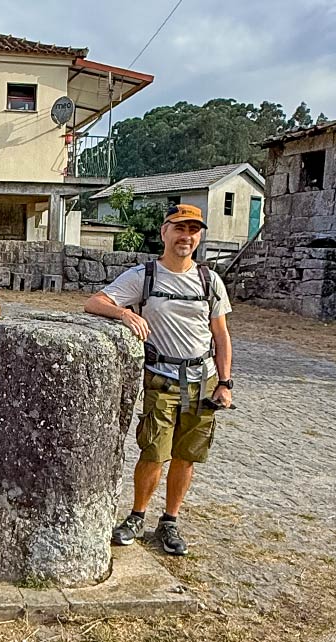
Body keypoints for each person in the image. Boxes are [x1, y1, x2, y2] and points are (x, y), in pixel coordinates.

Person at [84, 204, 233, 556]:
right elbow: (94, 302)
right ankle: (137, 515)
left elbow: (221, 335)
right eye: (179, 229)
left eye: (193, 230)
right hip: (162, 379)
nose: (186, 237)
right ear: (164, 232)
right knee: (153, 451)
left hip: (203, 380)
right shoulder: (144, 276)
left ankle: (170, 520)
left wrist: (225, 382)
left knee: (186, 455)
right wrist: (124, 313)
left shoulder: (209, 280)